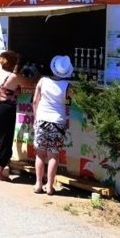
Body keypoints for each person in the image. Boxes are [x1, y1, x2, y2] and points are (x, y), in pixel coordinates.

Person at [32, 55, 73, 195]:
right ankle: (49, 186)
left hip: (42, 119)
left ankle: (38, 184)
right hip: (58, 121)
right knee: (53, 155)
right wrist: (67, 120)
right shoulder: (68, 86)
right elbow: (68, 106)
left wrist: (36, 118)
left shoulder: (42, 81)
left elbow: (35, 101)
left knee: (40, 154)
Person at [0, 50, 21, 181]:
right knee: (6, 140)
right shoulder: (12, 76)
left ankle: (0, 167)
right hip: (5, 108)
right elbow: (28, 84)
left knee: (1, 138)